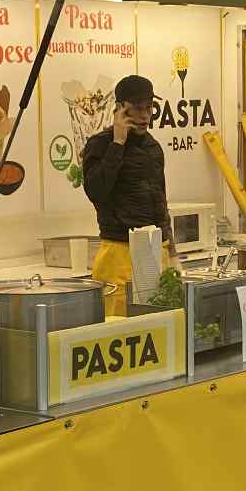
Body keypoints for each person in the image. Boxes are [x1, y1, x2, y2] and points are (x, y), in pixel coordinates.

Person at [81, 74, 173, 317]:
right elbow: (96, 191)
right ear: (121, 108)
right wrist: (118, 143)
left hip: (157, 250)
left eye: (149, 108)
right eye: (138, 108)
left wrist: (171, 249)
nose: (145, 115)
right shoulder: (100, 144)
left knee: (159, 328)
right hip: (119, 251)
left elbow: (160, 200)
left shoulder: (152, 146)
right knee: (118, 329)